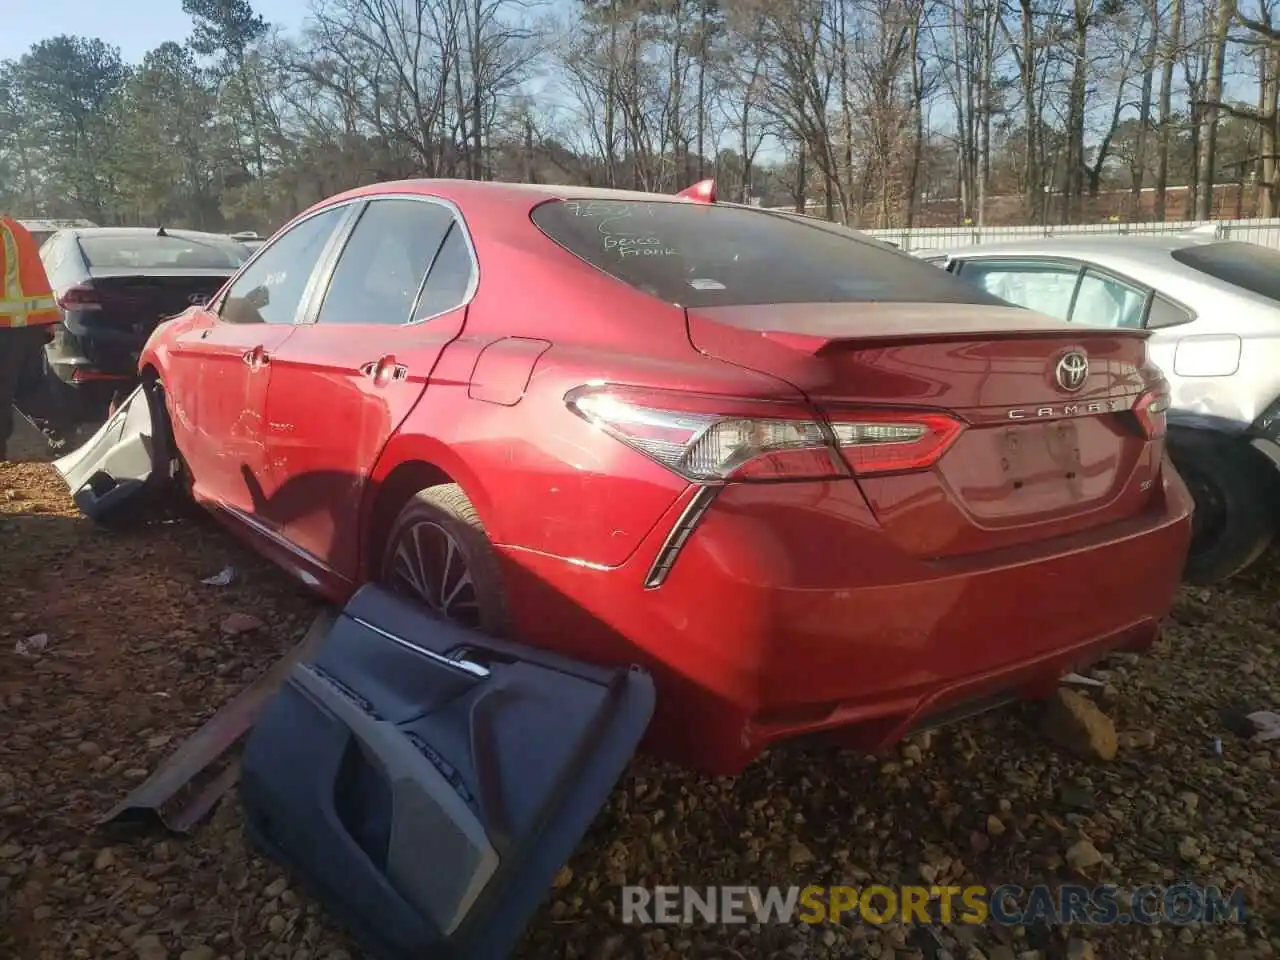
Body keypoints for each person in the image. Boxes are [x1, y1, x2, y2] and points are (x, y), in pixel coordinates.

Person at [0, 215, 60, 461]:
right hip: (27, 326)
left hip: (5, 328)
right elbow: (34, 275)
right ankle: (59, 433)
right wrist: (47, 320)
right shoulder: (14, 228)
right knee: (29, 389)